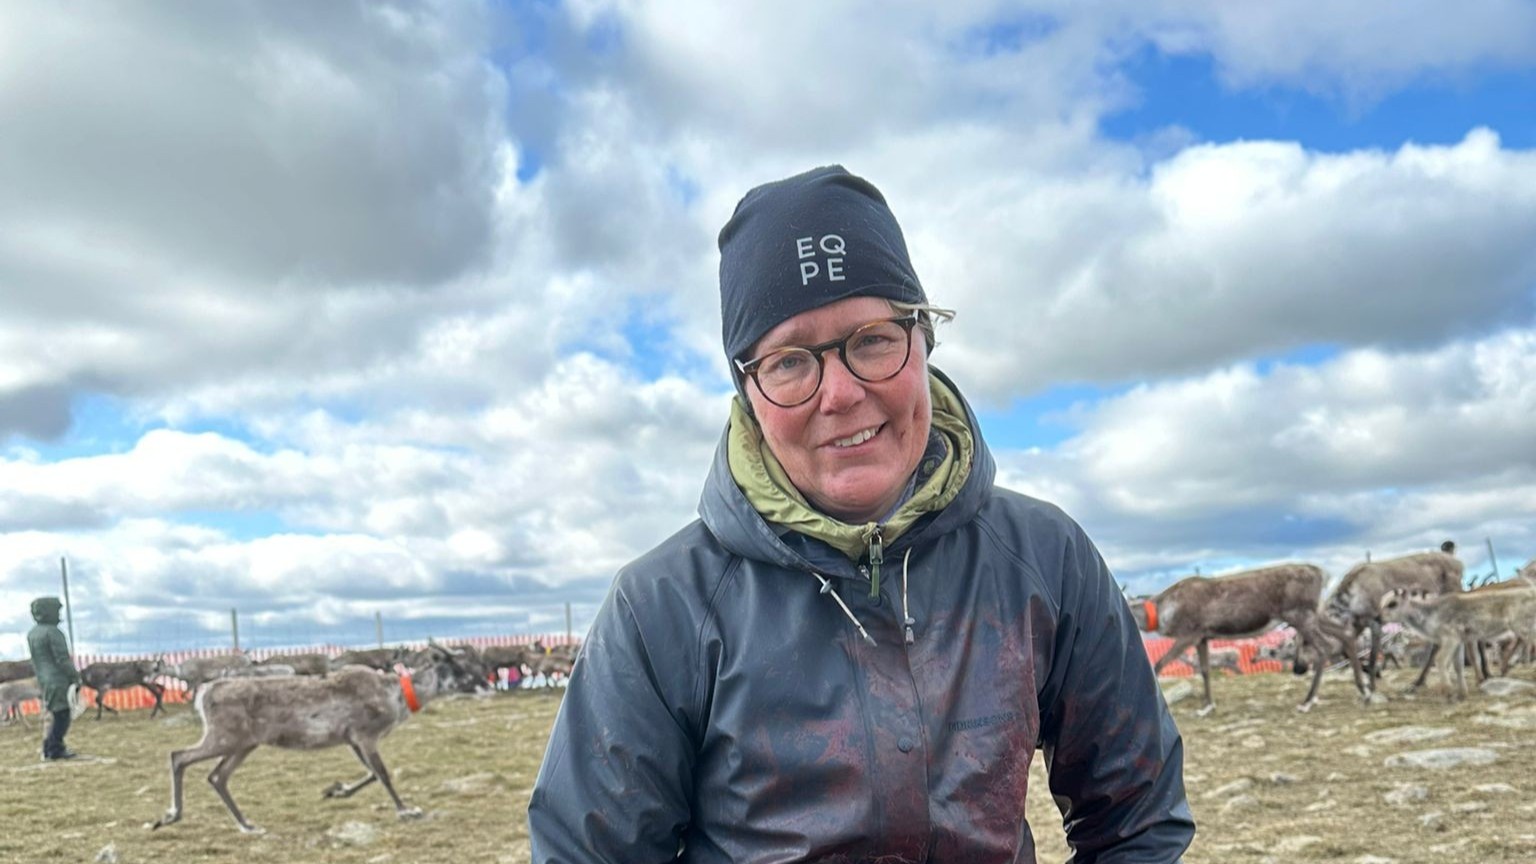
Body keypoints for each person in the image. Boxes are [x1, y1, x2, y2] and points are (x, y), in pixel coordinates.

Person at [528, 166, 1194, 862]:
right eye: (789, 361)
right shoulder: (661, 607)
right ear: (747, 390)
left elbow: (1137, 819)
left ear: (923, 343)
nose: (840, 393)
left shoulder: (1046, 558)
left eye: (873, 338)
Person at [27, 596, 83, 761]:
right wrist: (75, 676)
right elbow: (62, 659)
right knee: (62, 715)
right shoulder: (53, 633)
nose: (59, 615)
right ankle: (55, 748)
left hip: (43, 678)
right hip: (58, 679)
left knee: (53, 713)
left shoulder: (33, 634)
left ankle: (49, 746)